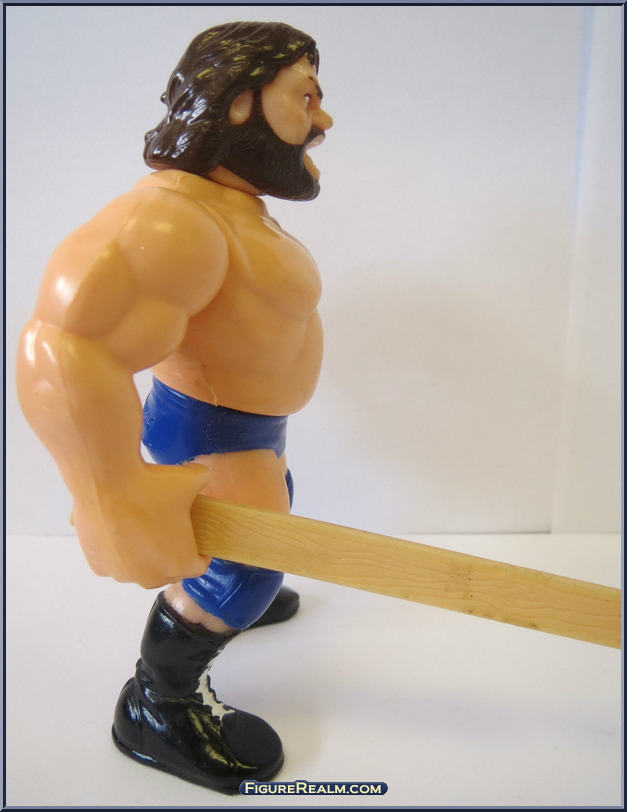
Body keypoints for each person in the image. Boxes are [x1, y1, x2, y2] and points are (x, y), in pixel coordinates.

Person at [17, 21, 333, 794]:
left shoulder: (227, 202)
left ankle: (232, 592)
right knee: (247, 558)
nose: (322, 119)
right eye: (306, 97)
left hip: (241, 422)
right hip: (212, 426)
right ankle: (159, 704)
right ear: (240, 105)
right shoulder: (174, 220)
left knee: (270, 510)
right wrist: (110, 496)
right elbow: (63, 344)